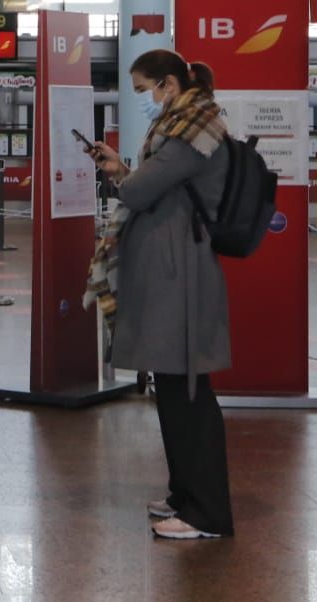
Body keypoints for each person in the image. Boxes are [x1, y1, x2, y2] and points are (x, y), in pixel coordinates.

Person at [85, 51, 234, 541]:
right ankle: (183, 493)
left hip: (181, 273)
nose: (145, 100)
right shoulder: (181, 126)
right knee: (172, 385)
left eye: (145, 88)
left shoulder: (194, 129)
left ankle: (207, 512)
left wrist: (127, 176)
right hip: (171, 267)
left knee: (188, 388)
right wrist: (122, 168)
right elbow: (148, 183)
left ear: (169, 84)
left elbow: (140, 190)